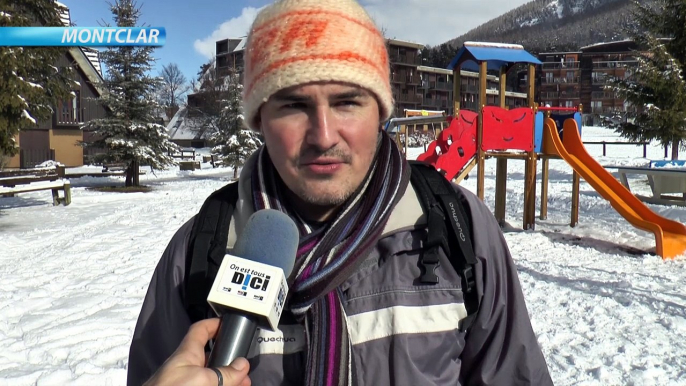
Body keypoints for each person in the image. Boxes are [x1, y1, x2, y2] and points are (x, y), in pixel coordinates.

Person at [127, 0, 554, 385]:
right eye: (294, 105)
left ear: (381, 113)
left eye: (347, 102)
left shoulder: (458, 227)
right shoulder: (202, 251)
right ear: (260, 120)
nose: (324, 135)